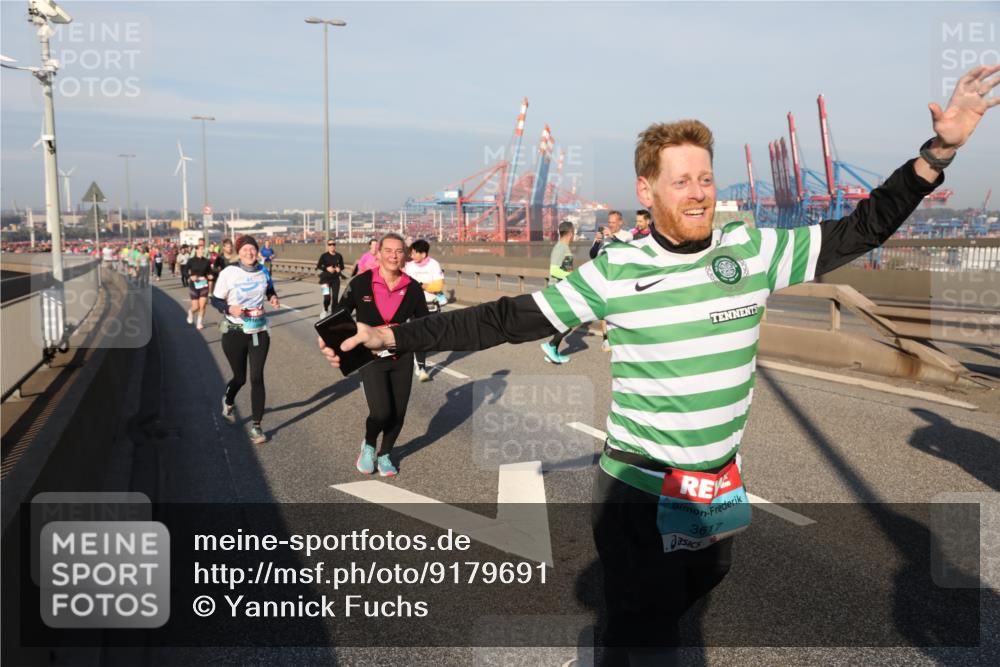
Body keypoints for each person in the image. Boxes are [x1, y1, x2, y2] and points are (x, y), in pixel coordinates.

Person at [319, 64, 999, 663]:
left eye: (705, 178)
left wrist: (938, 152)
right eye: (681, 182)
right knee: (649, 638)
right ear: (646, 190)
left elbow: (862, 229)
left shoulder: (751, 251)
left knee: (692, 596)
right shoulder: (617, 270)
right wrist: (390, 337)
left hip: (718, 486)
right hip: (639, 492)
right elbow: (503, 318)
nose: (698, 192)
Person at [337, 233, 428, 477]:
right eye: (388, 250)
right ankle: (368, 445)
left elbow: (425, 324)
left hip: (401, 357)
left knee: (398, 413)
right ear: (378, 253)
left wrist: (420, 354)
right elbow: (339, 315)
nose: (393, 256)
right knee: (381, 412)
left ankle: (385, 453)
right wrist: (345, 349)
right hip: (371, 357)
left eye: (399, 251)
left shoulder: (412, 287)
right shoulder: (361, 283)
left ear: (405, 256)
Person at [211, 235, 280, 445]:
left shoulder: (263, 271)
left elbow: (269, 289)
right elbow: (215, 299)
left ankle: (257, 427)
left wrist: (273, 297)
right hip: (234, 332)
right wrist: (228, 308)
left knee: (257, 377)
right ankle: (228, 399)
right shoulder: (229, 272)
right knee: (240, 378)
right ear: (238, 253)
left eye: (252, 249)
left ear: (256, 251)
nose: (249, 252)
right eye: (244, 249)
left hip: (259, 331)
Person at [590, 210, 634, 352]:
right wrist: (597, 242)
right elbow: (592, 255)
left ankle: (623, 336)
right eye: (609, 222)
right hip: (604, 278)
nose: (610, 225)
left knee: (621, 309)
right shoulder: (603, 237)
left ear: (620, 222)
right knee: (605, 310)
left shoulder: (627, 235)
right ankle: (606, 339)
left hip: (621, 279)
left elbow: (627, 249)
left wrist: (612, 237)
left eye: (613, 223)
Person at [402, 239, 444, 382]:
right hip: (414, 306)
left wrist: (420, 285)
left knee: (430, 337)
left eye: (414, 253)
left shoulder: (434, 265)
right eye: (411, 253)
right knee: (420, 337)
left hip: (431, 305)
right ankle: (421, 367)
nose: (412, 255)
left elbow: (438, 286)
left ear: (423, 254)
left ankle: (418, 358)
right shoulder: (409, 266)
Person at [540, 220, 576, 364]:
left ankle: (552, 351)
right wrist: (573, 276)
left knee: (564, 322)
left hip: (563, 290)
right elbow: (554, 270)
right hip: (558, 291)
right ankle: (550, 345)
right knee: (570, 321)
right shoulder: (560, 248)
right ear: (571, 233)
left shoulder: (563, 247)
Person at [186, 244, 212, 330]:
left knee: (202, 305)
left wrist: (210, 275)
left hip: (203, 284)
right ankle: (190, 312)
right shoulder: (191, 261)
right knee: (196, 307)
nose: (202, 251)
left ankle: (199, 323)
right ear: (196, 250)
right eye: (200, 249)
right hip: (194, 285)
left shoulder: (207, 261)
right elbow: (185, 271)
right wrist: (190, 276)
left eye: (203, 249)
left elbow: (209, 272)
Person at [315, 239, 345, 316]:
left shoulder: (339, 256)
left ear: (335, 245)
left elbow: (342, 266)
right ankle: (325, 309)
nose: (332, 246)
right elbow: (319, 266)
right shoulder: (324, 256)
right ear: (328, 246)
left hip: (335, 279)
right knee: (327, 298)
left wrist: (339, 269)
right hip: (325, 280)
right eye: (330, 244)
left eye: (333, 244)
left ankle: (333, 314)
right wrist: (326, 268)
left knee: (335, 298)